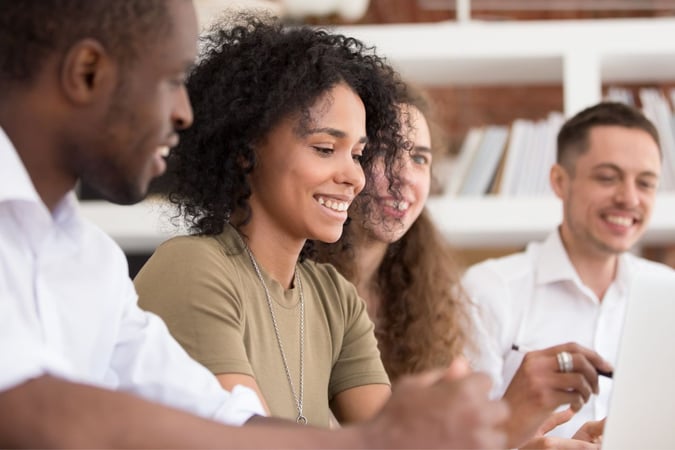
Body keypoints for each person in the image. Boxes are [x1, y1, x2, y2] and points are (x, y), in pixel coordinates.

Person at [0, 1, 512, 448]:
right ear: (88, 71)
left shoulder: (94, 262)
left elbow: (225, 422)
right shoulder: (192, 268)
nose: (184, 113)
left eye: (356, 153)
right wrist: (373, 442)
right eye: (172, 80)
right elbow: (31, 413)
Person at [134, 13, 418, 427]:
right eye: (324, 148)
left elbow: (395, 441)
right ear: (244, 151)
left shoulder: (334, 298)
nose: (353, 177)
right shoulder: (193, 269)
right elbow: (249, 438)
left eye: (357, 154)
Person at [314, 89, 611, 449]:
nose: (406, 176)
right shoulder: (304, 289)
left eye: (421, 159)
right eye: (386, 152)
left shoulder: (429, 299)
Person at [463, 101, 674, 443]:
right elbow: (453, 442)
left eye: (646, 183)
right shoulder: (487, 290)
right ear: (560, 181)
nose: (629, 198)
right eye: (608, 177)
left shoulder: (668, 293)